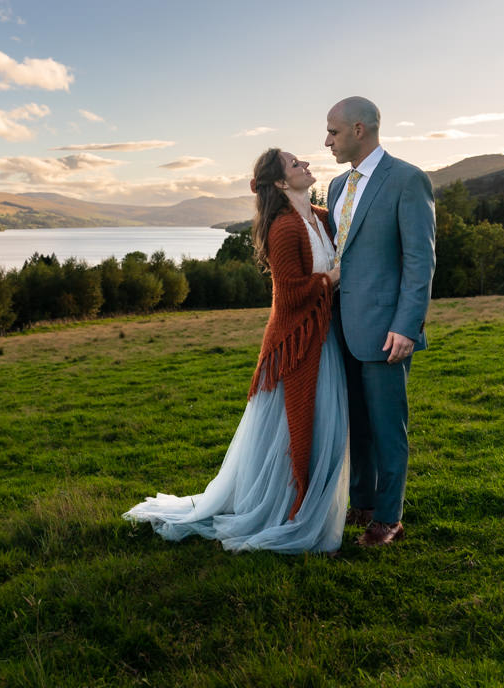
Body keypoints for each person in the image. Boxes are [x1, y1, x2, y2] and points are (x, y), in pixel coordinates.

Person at [123, 147, 350, 554]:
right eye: (296, 164)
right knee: (293, 432)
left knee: (325, 429)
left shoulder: (317, 217)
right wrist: (332, 277)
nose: (307, 166)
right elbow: (293, 291)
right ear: (281, 182)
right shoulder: (283, 227)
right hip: (296, 344)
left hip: (323, 339)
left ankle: (304, 506)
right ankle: (285, 511)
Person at [324, 96, 436, 547]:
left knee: (389, 427)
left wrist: (407, 326)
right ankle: (363, 502)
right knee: (356, 424)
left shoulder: (407, 180)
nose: (325, 140)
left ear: (358, 130)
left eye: (332, 132)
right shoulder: (335, 186)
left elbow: (419, 259)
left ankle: (388, 517)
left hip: (388, 328)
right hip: (342, 327)